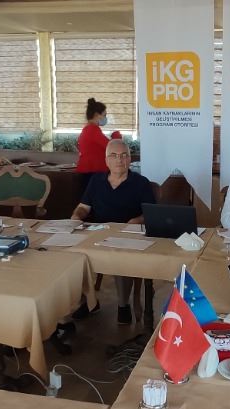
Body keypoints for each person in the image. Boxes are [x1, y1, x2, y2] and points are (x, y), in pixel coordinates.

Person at [71, 139, 155, 324]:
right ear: (106, 160)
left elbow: (151, 214)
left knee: (121, 257)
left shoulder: (141, 183)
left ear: (130, 159)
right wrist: (76, 217)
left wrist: (136, 221)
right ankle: (89, 301)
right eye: (114, 156)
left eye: (124, 155)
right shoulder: (96, 181)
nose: (119, 160)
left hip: (127, 235)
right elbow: (83, 207)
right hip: (97, 234)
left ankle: (123, 305)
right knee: (74, 255)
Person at [76, 98, 122, 184]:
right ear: (97, 115)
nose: (105, 118)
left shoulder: (88, 129)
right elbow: (111, 147)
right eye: (104, 115)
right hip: (92, 172)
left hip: (90, 171)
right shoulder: (92, 130)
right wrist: (117, 136)